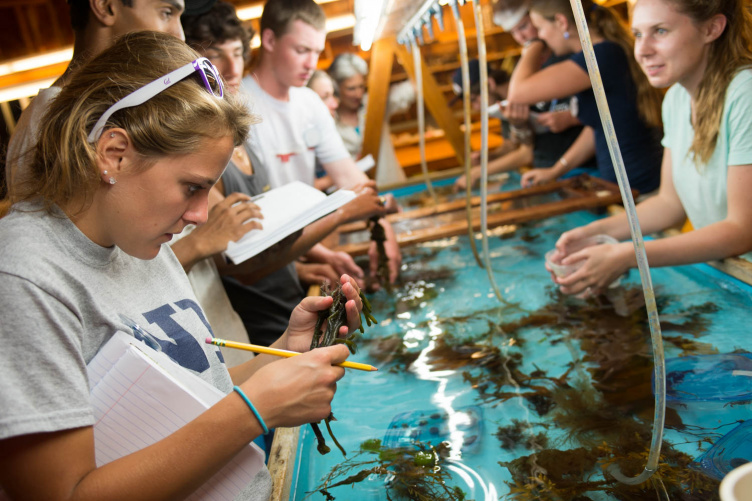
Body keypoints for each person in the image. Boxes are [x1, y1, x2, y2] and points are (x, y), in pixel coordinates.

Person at [0, 31, 363, 500]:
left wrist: (286, 350)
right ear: (115, 153)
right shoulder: (24, 277)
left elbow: (192, 397)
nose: (199, 215)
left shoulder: (139, 240)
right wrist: (254, 411)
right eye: (191, 187)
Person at [182, 0, 388, 346]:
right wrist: (343, 213)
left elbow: (264, 234)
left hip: (283, 296)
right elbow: (242, 263)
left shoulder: (242, 133)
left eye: (237, 52)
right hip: (254, 318)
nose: (233, 69)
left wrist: (309, 262)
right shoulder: (198, 148)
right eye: (217, 56)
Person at [549, 0, 752, 296]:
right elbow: (670, 203)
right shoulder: (676, 100)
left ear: (712, 28)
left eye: (660, 31)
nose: (642, 50)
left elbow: (741, 230)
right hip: (732, 280)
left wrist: (628, 255)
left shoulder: (744, 94)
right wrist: (595, 232)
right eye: (638, 34)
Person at [242, 0, 402, 288]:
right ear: (269, 39)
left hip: (304, 244)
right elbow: (253, 221)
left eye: (316, 51)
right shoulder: (239, 107)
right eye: (301, 50)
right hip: (259, 263)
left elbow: (349, 177)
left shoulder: (309, 103)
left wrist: (383, 231)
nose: (311, 64)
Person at [507, 0, 664, 195]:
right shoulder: (598, 54)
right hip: (626, 187)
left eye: (540, 28)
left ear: (561, 22)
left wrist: (532, 44)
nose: (541, 36)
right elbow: (597, 128)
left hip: (643, 187)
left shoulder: (599, 55)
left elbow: (518, 93)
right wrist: (555, 171)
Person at [454, 0, 589, 191]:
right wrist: (519, 126)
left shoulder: (567, 56)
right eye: (513, 32)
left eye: (524, 27)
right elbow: (525, 144)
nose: (520, 37)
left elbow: (602, 113)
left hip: (582, 167)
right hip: (553, 169)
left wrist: (573, 118)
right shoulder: (529, 67)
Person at [326, 53, 414, 186]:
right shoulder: (329, 120)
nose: (358, 94)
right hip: (357, 192)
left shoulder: (373, 104)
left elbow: (412, 88)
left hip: (392, 184)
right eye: (351, 88)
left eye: (361, 86)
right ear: (336, 89)